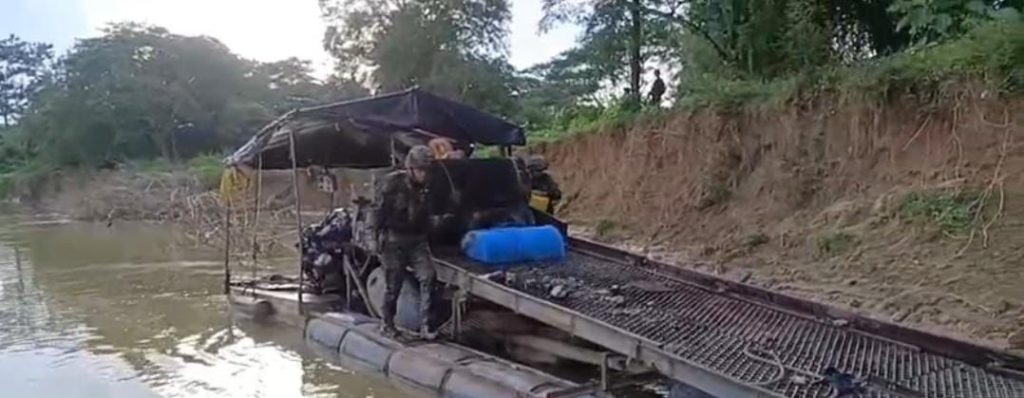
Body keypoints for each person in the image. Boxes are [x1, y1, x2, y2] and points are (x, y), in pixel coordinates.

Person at [373, 145, 438, 339]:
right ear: (411, 169)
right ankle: (387, 324)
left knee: (429, 276)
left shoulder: (428, 188)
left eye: (427, 171)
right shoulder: (391, 184)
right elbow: (376, 213)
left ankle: (426, 326)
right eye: (421, 170)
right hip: (393, 241)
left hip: (417, 240)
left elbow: (428, 214)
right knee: (394, 285)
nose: (424, 175)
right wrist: (373, 240)